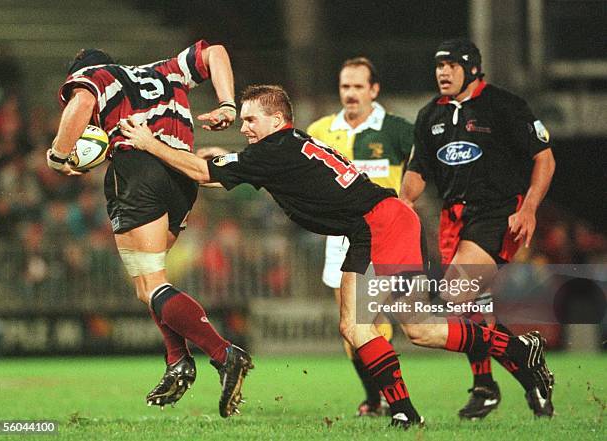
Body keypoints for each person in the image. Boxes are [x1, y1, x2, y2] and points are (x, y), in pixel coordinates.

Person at [120, 84, 554, 429]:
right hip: (374, 225)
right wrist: (215, 155)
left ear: (276, 119)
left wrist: (148, 142)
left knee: (373, 326)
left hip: (382, 224)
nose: (246, 126)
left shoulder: (274, 150)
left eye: (252, 119)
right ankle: (500, 360)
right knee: (406, 330)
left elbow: (203, 172)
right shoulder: (283, 146)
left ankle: (426, 400)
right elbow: (224, 169)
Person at [46, 41, 253, 418]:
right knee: (150, 285)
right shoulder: (166, 69)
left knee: (150, 284)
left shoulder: (95, 76)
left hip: (137, 167)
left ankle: (224, 354)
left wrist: (58, 156)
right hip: (181, 174)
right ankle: (177, 360)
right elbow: (218, 51)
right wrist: (227, 104)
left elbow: (81, 104)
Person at [402, 38, 556, 418]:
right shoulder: (428, 116)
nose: (442, 72)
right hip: (452, 220)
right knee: (474, 311)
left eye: (451, 65)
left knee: (453, 300)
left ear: (472, 68)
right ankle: (517, 379)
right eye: (439, 65)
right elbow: (417, 174)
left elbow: (545, 158)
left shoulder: (503, 104)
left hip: (498, 215)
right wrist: (398, 205)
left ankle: (505, 370)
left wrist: (530, 209)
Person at [307, 57, 414, 416]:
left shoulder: (397, 130)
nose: (350, 94)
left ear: (374, 89)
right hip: (339, 237)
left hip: (382, 236)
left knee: (372, 321)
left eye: (357, 87)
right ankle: (375, 396)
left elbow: (423, 168)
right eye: (344, 87)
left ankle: (387, 396)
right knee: (349, 327)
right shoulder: (321, 130)